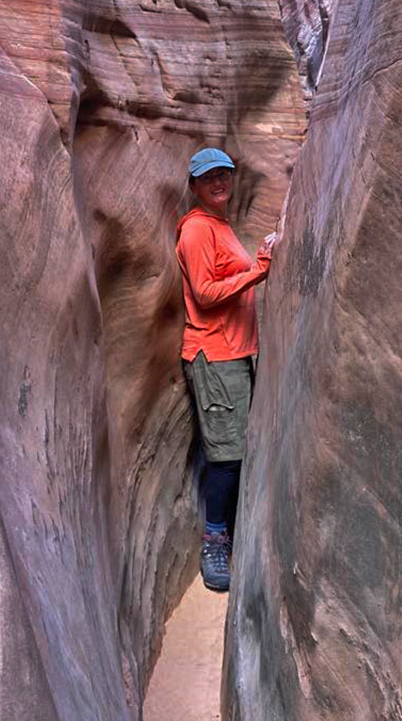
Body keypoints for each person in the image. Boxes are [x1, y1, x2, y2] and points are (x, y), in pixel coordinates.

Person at [175, 147, 280, 592]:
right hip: (213, 356)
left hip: (232, 354)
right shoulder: (198, 229)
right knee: (226, 458)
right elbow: (204, 292)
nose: (219, 182)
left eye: (225, 174)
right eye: (209, 177)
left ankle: (230, 530)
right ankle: (215, 539)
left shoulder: (218, 225)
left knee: (235, 451)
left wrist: (259, 257)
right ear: (194, 185)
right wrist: (258, 271)